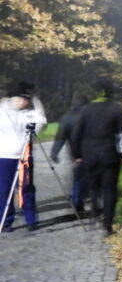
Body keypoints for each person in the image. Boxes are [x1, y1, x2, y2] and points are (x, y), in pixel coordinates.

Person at [69, 79, 122, 235]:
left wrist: (76, 154)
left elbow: (76, 133)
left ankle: (95, 211)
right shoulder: (117, 109)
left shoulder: (86, 109)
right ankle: (107, 224)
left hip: (89, 154)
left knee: (93, 185)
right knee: (109, 189)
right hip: (109, 154)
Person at [0, 82, 47, 232]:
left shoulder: (30, 113)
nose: (25, 102)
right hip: (4, 156)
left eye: (27, 99)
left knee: (27, 188)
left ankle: (31, 220)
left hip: (24, 157)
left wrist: (36, 101)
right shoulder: (2, 110)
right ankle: (5, 221)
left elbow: (42, 122)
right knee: (3, 190)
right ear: (14, 97)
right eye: (22, 98)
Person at [51, 94, 87, 211]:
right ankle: (80, 199)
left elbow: (60, 137)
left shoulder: (67, 117)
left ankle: (76, 201)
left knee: (78, 176)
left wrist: (55, 151)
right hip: (91, 150)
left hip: (75, 152)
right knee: (86, 178)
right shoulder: (89, 116)